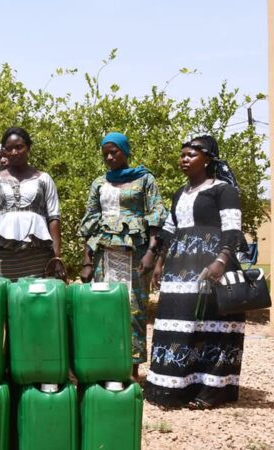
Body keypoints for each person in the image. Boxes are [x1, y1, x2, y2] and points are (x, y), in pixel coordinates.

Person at [146, 136, 246, 410]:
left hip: (212, 266)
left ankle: (213, 390)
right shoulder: (180, 193)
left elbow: (233, 230)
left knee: (212, 327)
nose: (184, 159)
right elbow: (169, 229)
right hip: (180, 269)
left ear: (207, 159)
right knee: (182, 323)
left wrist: (221, 261)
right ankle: (176, 386)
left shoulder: (223, 190)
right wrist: (156, 260)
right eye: (182, 155)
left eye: (191, 154)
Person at [79, 132, 168, 374]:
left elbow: (156, 216)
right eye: (105, 153)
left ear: (125, 151)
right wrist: (86, 259)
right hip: (103, 254)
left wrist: (152, 252)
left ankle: (132, 368)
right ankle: (105, 363)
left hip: (135, 254)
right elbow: (91, 221)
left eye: (114, 151)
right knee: (103, 306)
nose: (109, 157)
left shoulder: (145, 180)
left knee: (134, 308)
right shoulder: (99, 183)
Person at [0, 127, 66, 281]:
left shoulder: (44, 179)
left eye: (19, 147)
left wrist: (56, 257)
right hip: (3, 257)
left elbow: (54, 218)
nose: (14, 152)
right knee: (4, 301)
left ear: (28, 148)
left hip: (37, 257)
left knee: (36, 299)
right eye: (9, 149)